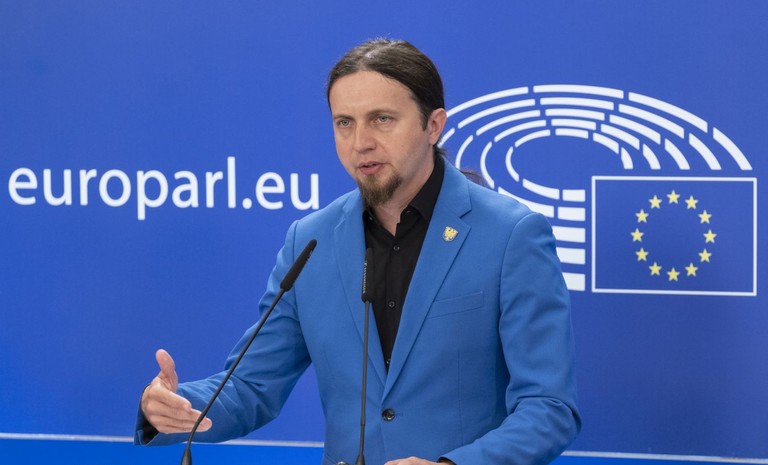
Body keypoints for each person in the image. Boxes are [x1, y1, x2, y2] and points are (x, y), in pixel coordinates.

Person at [136, 38, 581, 465]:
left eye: (382, 119)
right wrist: (172, 406)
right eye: (344, 122)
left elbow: (548, 406)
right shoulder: (310, 241)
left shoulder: (510, 235)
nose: (360, 142)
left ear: (433, 125)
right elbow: (251, 387)